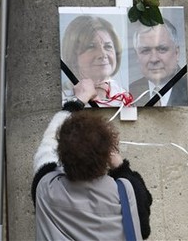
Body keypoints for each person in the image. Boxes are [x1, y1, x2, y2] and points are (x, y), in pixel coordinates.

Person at [31, 79, 152, 240]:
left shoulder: (46, 188)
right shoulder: (125, 191)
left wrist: (78, 100)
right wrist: (120, 166)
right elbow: (143, 229)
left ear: (61, 152)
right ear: (107, 153)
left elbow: (47, 145)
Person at [61, 15, 132, 107]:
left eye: (108, 46)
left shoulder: (125, 96)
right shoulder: (60, 97)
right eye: (91, 46)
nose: (102, 54)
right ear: (73, 55)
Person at [129, 18, 188, 106]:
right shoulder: (130, 92)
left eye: (162, 49)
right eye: (145, 51)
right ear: (137, 55)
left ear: (177, 53)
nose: (154, 59)